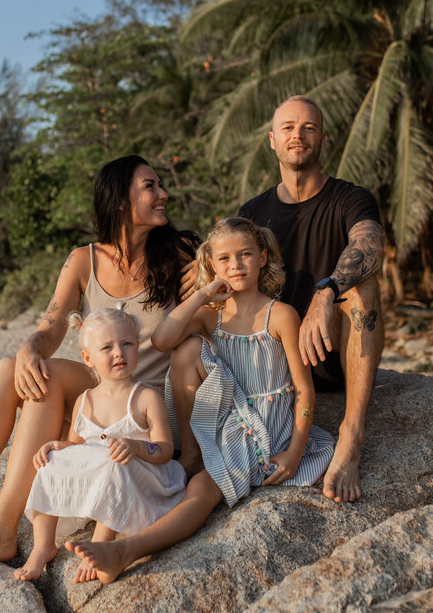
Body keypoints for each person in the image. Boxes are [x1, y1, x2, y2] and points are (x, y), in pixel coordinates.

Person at [0, 155, 197, 585]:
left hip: (146, 403)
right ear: (119, 201)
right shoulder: (84, 260)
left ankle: (1, 530)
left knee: (45, 379)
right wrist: (29, 348)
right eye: (150, 186)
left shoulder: (180, 254)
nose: (163, 194)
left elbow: (231, 273)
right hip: (98, 393)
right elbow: (51, 328)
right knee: (12, 369)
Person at [66, 215, 334, 584]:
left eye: (244, 255)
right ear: (210, 264)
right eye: (223, 259)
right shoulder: (212, 316)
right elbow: (162, 340)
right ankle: (190, 454)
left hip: (269, 431)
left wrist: (295, 452)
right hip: (231, 422)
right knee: (187, 350)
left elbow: (304, 389)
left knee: (202, 491)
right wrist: (203, 294)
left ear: (263, 258)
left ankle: (126, 550)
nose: (235, 265)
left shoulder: (281, 315)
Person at [237, 95, 385, 504]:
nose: (297, 136)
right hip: (278, 368)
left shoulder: (350, 198)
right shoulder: (252, 212)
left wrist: (327, 291)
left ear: (323, 138)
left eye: (308, 128)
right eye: (287, 128)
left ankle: (351, 436)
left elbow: (371, 246)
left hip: (332, 352)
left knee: (364, 285)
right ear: (272, 139)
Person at [14, 309, 186, 583]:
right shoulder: (85, 400)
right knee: (51, 462)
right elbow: (76, 446)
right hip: (107, 475)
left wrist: (138, 447)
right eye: (107, 347)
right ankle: (43, 545)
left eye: (127, 344)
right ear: (88, 358)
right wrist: (58, 447)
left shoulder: (145, 398)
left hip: (145, 480)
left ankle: (101, 545)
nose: (119, 353)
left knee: (112, 461)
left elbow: (165, 450)